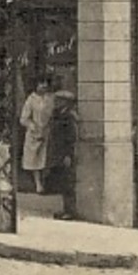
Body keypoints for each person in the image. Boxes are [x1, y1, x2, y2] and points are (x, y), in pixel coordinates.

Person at [19, 76, 59, 194]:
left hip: (47, 132)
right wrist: (32, 127)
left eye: (45, 83)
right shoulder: (31, 99)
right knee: (34, 160)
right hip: (34, 133)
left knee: (46, 159)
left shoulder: (50, 98)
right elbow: (23, 118)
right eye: (41, 83)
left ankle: (45, 182)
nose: (43, 86)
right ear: (36, 85)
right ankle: (38, 184)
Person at [48, 89, 79, 220]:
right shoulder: (58, 114)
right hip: (59, 151)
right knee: (62, 181)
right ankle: (66, 209)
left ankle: (70, 211)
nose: (56, 102)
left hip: (66, 153)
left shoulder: (69, 116)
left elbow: (71, 137)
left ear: (66, 102)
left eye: (59, 100)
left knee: (68, 182)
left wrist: (68, 155)